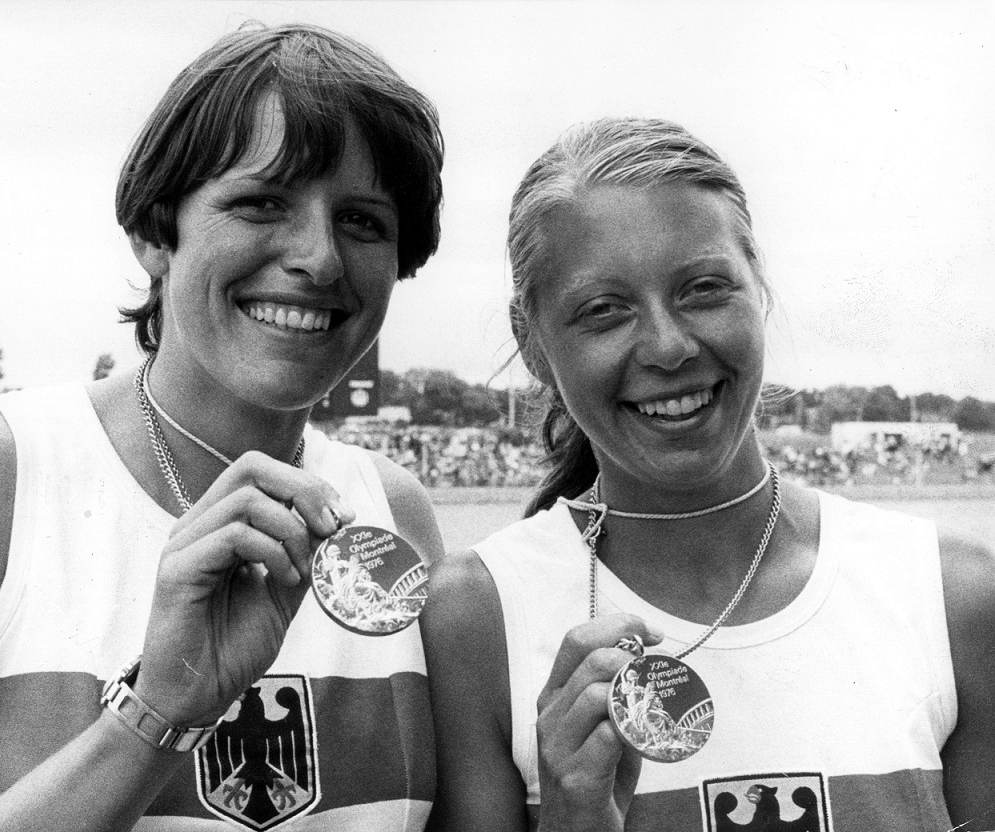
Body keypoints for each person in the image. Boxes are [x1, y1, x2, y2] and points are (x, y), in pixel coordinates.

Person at [0, 22, 444, 832]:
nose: (319, 258)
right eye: (261, 203)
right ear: (153, 232)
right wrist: (154, 716)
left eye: (363, 221)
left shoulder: (395, 513)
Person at [421, 117, 995, 830]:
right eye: (605, 311)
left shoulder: (952, 596)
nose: (666, 346)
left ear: (760, 289)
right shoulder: (478, 615)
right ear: (531, 345)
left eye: (702, 289)